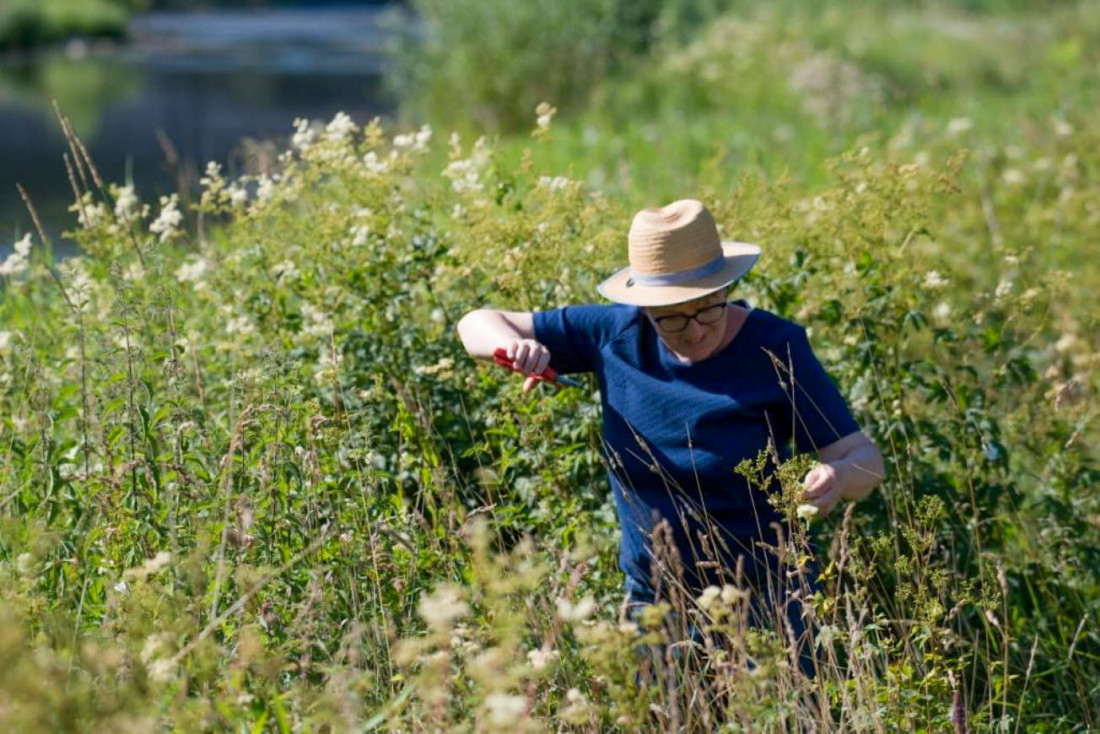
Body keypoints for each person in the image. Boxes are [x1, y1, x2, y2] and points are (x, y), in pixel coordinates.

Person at [456, 199, 884, 672]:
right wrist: (513, 347)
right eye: (673, 318)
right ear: (644, 307)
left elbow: (864, 458)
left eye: (708, 309)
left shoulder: (773, 346)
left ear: (726, 287)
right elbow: (474, 322)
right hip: (656, 604)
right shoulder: (613, 334)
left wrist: (837, 476)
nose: (696, 329)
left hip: (772, 598)